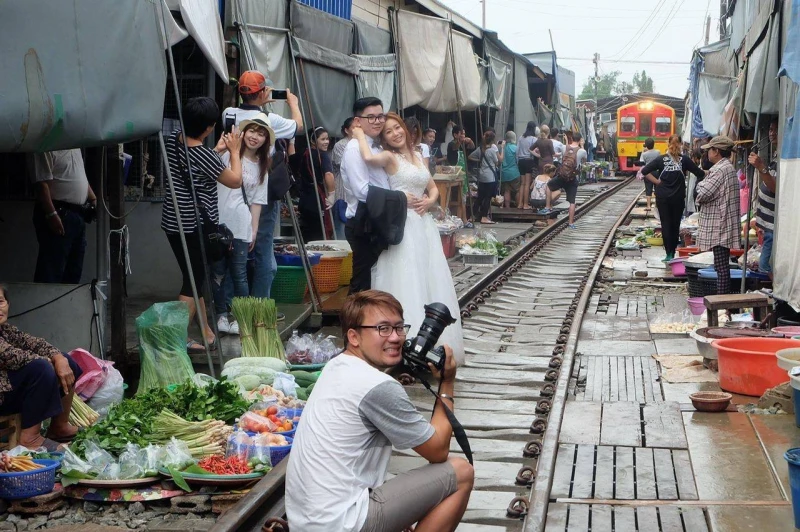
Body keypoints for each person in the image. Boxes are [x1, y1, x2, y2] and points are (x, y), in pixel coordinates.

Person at [285, 290, 474, 532]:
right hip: (341, 523)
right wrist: (447, 383)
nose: (395, 338)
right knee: (461, 472)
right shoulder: (377, 385)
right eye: (382, 329)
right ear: (354, 336)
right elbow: (437, 451)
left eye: (399, 328)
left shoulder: (336, 365)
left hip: (309, 520)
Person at [353, 114, 465, 363]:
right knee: (406, 276)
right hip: (403, 223)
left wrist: (430, 200)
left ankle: (431, 344)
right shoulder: (390, 157)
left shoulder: (418, 155)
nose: (395, 133)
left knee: (428, 276)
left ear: (405, 128)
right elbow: (369, 158)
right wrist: (360, 134)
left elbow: (432, 186)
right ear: (384, 139)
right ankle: (404, 344)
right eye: (388, 132)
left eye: (397, 128)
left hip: (424, 225)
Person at [161, 97, 243, 353]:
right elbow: (235, 180)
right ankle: (177, 339)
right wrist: (234, 151)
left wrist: (216, 151)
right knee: (194, 281)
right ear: (208, 128)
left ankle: (206, 332)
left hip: (172, 220)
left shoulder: (173, 138)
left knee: (194, 275)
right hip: (194, 225)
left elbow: (194, 164)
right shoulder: (205, 155)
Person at [222, 71, 303, 307]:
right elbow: (298, 126)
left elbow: (243, 114)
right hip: (260, 189)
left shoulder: (228, 113)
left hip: (233, 188)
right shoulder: (270, 121)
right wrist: (293, 104)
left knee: (233, 249)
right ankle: (261, 306)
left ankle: (229, 307)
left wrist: (258, 104)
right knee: (263, 249)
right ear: (262, 92)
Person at [0, 284, 83, 450]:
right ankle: (30, 439)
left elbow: (33, 343)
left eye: (0, 301)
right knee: (40, 369)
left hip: (8, 392)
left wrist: (58, 357)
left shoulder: (6, 330)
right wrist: (52, 362)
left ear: (8, 304)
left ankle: (59, 427)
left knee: (67, 361)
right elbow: (12, 356)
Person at [213, 114, 272, 335]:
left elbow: (257, 201)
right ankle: (220, 316)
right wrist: (220, 149)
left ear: (266, 140)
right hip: (218, 221)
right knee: (217, 273)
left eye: (261, 134)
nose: (255, 137)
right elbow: (204, 165)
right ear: (243, 133)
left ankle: (240, 317)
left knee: (239, 273)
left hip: (241, 223)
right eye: (252, 131)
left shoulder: (262, 166)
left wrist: (254, 230)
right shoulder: (228, 155)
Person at [341, 97, 393, 294]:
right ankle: (353, 322)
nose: (377, 121)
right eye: (370, 117)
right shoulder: (355, 149)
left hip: (377, 219)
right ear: (357, 121)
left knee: (375, 279)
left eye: (380, 116)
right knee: (362, 282)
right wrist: (398, 199)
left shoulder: (377, 146)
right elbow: (362, 191)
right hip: (363, 223)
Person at [31, 150, 97, 284]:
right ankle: (47, 304)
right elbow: (41, 184)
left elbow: (79, 174)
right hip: (59, 212)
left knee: (73, 270)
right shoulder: (45, 145)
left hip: (77, 214)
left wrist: (93, 199)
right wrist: (51, 214)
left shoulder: (73, 145)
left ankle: (66, 304)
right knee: (52, 269)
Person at [641, 134, 705, 262]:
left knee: (665, 224)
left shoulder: (661, 159)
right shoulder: (685, 160)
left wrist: (657, 182)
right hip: (678, 198)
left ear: (668, 143)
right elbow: (700, 174)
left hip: (662, 197)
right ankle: (673, 252)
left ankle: (668, 253)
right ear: (681, 145)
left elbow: (644, 171)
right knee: (675, 225)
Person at [696, 136, 740, 295]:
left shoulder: (720, 170)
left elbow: (703, 193)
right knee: (722, 267)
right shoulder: (726, 167)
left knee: (721, 268)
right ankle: (723, 305)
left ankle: (721, 305)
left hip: (719, 224)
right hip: (723, 222)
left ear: (717, 151)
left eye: (710, 149)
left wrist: (700, 183)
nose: (707, 152)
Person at [292, 126, 335, 243]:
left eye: (327, 139)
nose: (326, 142)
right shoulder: (322, 156)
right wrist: (332, 194)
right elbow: (329, 175)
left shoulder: (303, 153)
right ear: (313, 140)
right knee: (319, 236)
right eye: (323, 139)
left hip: (304, 201)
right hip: (317, 201)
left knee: (307, 235)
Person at [748, 119, 778, 277]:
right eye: (770, 129)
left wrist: (761, 168)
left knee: (766, 265)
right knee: (765, 265)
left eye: (775, 130)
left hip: (774, 224)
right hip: (767, 224)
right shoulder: (775, 155)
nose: (772, 133)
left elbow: (775, 188)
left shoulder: (782, 159)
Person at [542, 133, 586, 228]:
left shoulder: (563, 147)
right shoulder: (582, 151)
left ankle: (548, 207)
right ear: (580, 140)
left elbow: (563, 155)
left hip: (561, 176)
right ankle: (571, 223)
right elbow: (584, 161)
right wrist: (582, 145)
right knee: (572, 202)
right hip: (572, 178)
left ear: (571, 138)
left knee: (549, 185)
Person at [469, 131, 503, 225]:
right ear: (493, 140)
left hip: (481, 176)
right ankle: (484, 217)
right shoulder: (492, 150)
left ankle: (472, 216)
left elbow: (470, 156)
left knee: (480, 197)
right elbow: (497, 162)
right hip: (490, 177)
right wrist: (502, 148)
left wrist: (479, 160)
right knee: (488, 197)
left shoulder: (480, 149)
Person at [332, 118, 355, 240]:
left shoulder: (364, 144)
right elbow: (347, 165)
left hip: (356, 193)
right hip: (343, 192)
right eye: (354, 127)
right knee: (341, 226)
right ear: (346, 130)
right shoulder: (340, 145)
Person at [517, 121, 538, 210]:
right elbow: (536, 151)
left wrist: (517, 161)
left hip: (520, 161)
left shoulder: (521, 137)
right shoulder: (534, 139)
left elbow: (517, 150)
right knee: (527, 184)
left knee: (522, 183)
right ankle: (525, 204)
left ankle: (519, 204)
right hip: (528, 161)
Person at [639, 137, 661, 211]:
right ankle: (657, 205)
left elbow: (642, 162)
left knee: (648, 189)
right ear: (653, 144)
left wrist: (643, 152)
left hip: (648, 173)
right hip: (656, 172)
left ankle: (648, 206)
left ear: (646, 145)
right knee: (657, 189)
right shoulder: (658, 152)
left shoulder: (644, 154)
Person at [501, 131, 521, 208]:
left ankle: (507, 207)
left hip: (504, 173)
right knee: (518, 190)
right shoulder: (515, 148)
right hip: (514, 173)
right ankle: (518, 206)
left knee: (507, 191)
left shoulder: (503, 148)